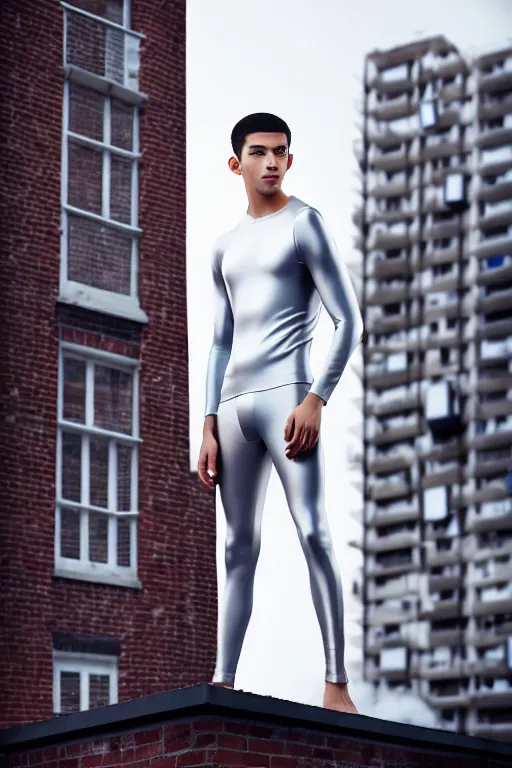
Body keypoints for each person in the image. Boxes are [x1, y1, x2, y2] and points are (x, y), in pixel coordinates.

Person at [198, 112, 363, 714]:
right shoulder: (224, 246)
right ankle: (223, 681)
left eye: (281, 152)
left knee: (314, 531)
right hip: (234, 411)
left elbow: (349, 320)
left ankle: (336, 684)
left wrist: (317, 397)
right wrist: (208, 423)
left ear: (290, 160)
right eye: (259, 152)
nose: (272, 162)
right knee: (238, 547)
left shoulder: (305, 225)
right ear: (236, 163)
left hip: (290, 401)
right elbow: (219, 343)